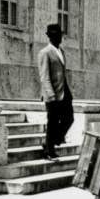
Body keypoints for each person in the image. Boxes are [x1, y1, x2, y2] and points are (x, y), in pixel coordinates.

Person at [38, 23, 73, 159]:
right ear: (51, 37)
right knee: (52, 122)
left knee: (69, 118)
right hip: (52, 95)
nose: (60, 38)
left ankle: (52, 142)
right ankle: (49, 151)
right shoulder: (44, 53)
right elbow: (44, 77)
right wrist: (51, 95)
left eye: (60, 35)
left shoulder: (61, 52)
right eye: (57, 35)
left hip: (64, 93)